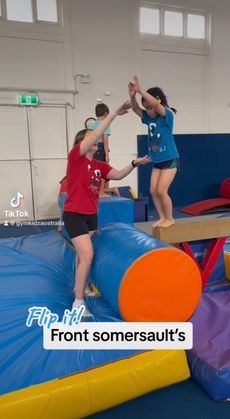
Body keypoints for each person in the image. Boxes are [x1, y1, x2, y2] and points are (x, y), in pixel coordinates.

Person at [63, 101, 151, 316]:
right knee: (88, 254)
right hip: (74, 214)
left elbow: (118, 175)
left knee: (82, 255)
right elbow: (94, 135)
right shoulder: (76, 158)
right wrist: (114, 115)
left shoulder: (99, 166)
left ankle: (79, 286)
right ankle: (78, 302)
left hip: (91, 215)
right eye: (90, 139)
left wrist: (135, 163)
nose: (95, 142)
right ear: (82, 142)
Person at [128, 75, 179, 228]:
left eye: (150, 108)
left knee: (162, 190)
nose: (149, 111)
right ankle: (162, 217)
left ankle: (170, 218)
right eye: (147, 109)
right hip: (157, 161)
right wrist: (132, 96)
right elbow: (136, 109)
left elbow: (156, 105)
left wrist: (140, 90)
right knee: (153, 190)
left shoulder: (167, 116)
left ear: (158, 103)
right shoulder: (149, 119)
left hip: (170, 159)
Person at [88, 103, 112, 197]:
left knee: (93, 170)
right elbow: (105, 140)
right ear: (106, 114)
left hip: (91, 149)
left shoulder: (91, 125)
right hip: (100, 148)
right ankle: (101, 192)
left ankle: (93, 190)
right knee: (102, 169)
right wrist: (107, 155)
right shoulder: (105, 124)